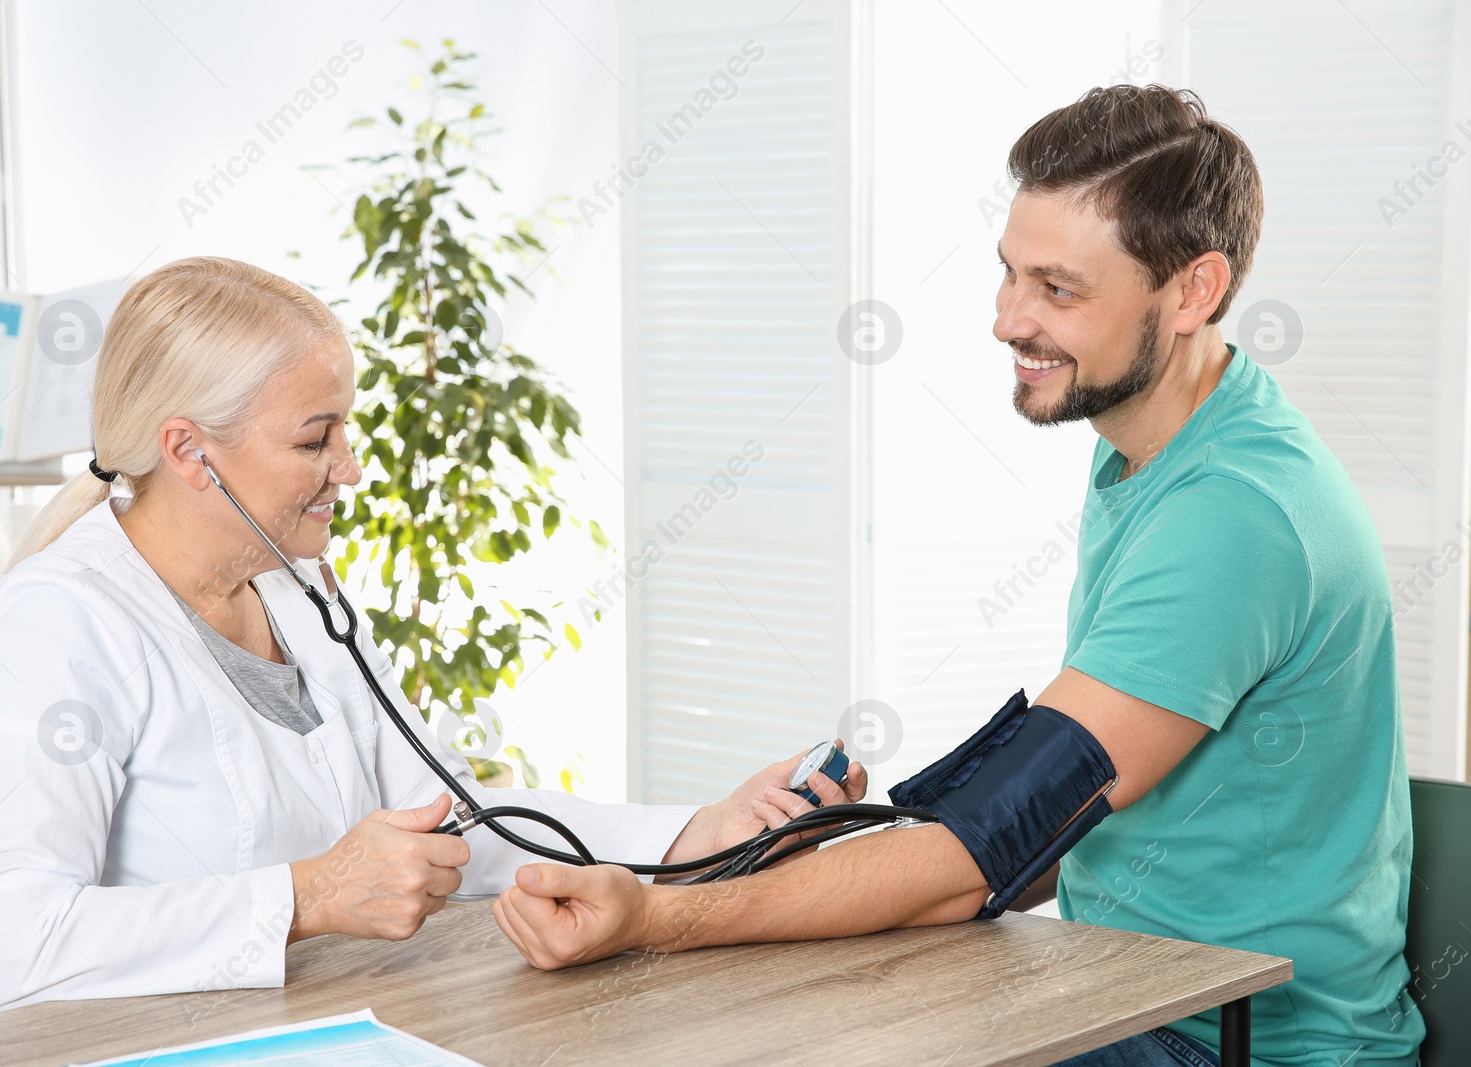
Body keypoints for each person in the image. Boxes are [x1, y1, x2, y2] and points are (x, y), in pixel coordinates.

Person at [489, 85, 1425, 1067]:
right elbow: (1034, 827)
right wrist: (841, 853)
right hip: (1117, 984)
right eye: (1009, 274)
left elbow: (993, 843)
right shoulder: (1155, 447)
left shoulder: (1236, 514)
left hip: (1233, 1037)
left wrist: (659, 914)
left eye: (1057, 290)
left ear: (1192, 291)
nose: (1006, 320)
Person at [0, 256, 867, 1030]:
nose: (348, 469)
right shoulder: (59, 622)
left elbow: (442, 818)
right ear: (190, 451)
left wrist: (697, 831)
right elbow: (5, 937)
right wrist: (311, 892)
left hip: (253, 1028)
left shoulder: (294, 582)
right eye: (316, 439)